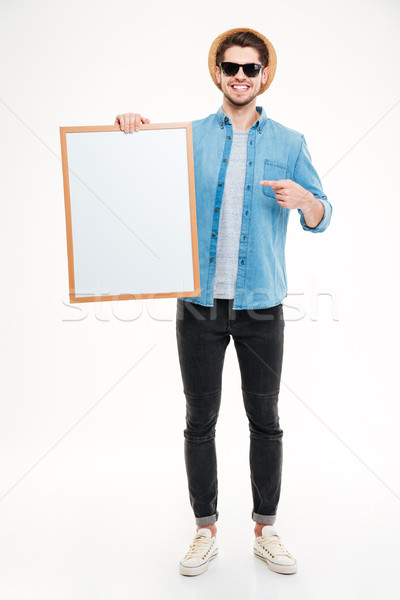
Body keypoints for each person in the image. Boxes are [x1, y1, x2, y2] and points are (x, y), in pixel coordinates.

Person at [114, 27, 332, 577]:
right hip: (199, 305)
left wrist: (307, 200)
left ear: (265, 75)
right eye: (231, 68)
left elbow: (323, 217)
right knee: (199, 420)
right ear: (218, 73)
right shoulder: (186, 136)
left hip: (262, 303)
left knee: (266, 419)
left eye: (250, 69)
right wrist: (132, 132)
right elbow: (140, 181)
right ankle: (204, 530)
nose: (240, 77)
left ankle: (266, 529)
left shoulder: (289, 142)